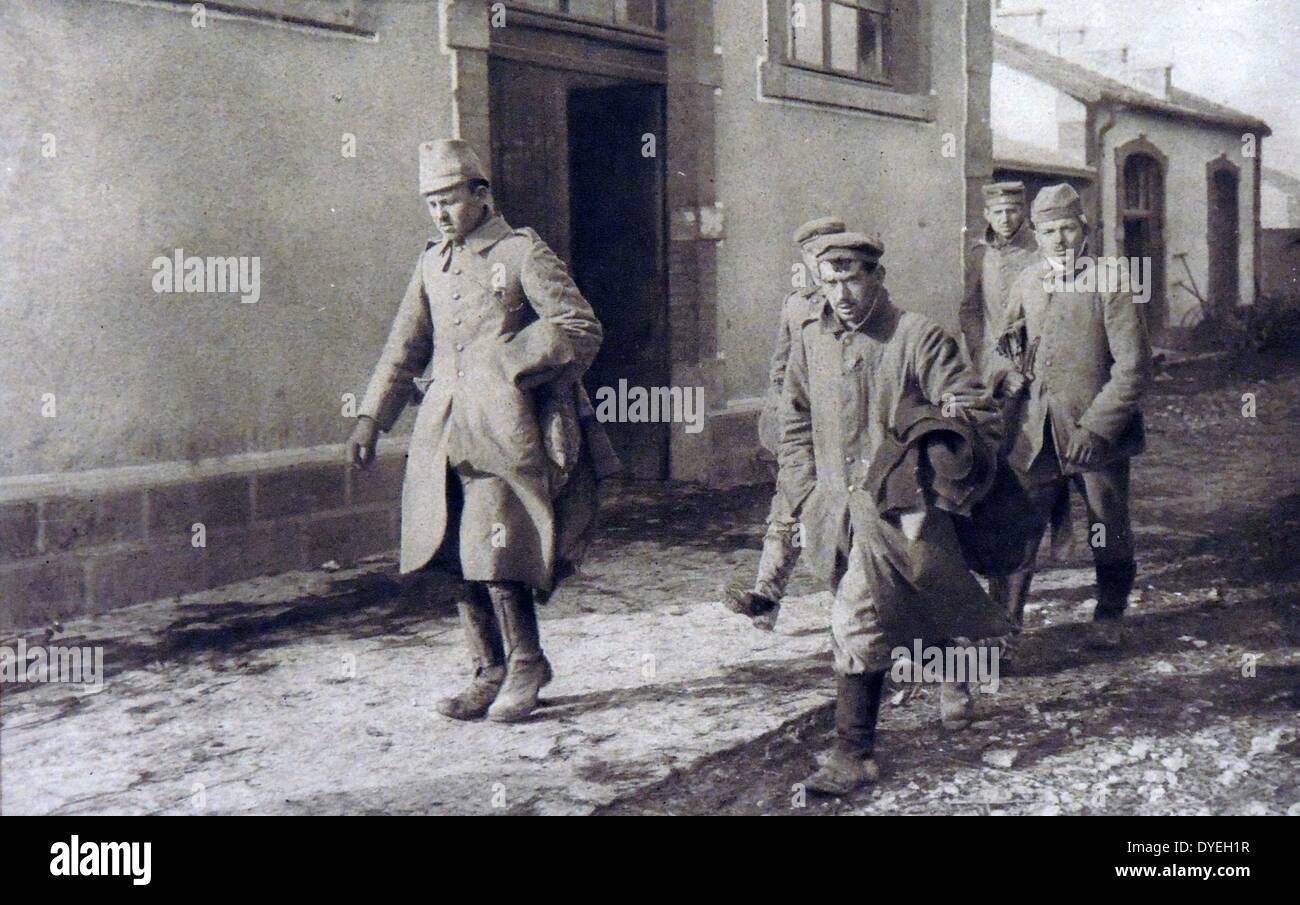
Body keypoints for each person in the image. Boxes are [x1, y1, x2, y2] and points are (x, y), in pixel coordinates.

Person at [346, 139, 611, 723]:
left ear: (482, 194)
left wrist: (510, 365)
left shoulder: (520, 253)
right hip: (441, 429)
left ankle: (526, 662)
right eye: (430, 204)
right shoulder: (430, 263)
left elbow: (579, 325)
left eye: (449, 200)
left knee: (497, 545)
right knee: (444, 546)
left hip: (502, 428)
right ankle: (487, 666)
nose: (440, 214)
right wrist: (371, 417)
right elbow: (406, 345)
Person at [779, 232, 1012, 796]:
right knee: (894, 608)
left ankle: (852, 754)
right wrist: (807, 491)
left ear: (877, 276)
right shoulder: (811, 339)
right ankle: (953, 670)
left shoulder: (917, 336)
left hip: (903, 514)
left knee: (856, 620)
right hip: (835, 511)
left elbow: (978, 413)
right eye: (829, 280)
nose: (841, 292)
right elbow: (794, 423)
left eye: (853, 277)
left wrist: (926, 456)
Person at [991, 183, 1153, 644]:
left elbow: (1133, 368)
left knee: (1108, 523)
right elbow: (1004, 345)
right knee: (1018, 525)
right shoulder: (1026, 280)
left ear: (1084, 230)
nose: (1059, 240)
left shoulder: (1111, 279)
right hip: (1035, 430)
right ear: (1035, 235)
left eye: (1067, 229)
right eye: (1048, 231)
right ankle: (1003, 629)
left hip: (1095, 433)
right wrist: (1005, 374)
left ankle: (1109, 616)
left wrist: (1097, 428)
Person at [722, 216, 846, 631]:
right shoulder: (796, 305)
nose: (820, 261)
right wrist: (776, 417)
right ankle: (766, 597)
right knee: (788, 509)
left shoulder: (854, 300)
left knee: (841, 516)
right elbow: (781, 367)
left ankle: (862, 603)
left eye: (828, 252)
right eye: (812, 255)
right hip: (802, 426)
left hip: (845, 429)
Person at [959, 181, 1037, 384]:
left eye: (1012, 211)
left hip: (1035, 363)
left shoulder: (1041, 249)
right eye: (998, 212)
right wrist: (984, 359)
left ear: (1023, 211)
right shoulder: (979, 253)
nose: (1005, 219)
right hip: (993, 365)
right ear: (987, 214)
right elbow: (970, 311)